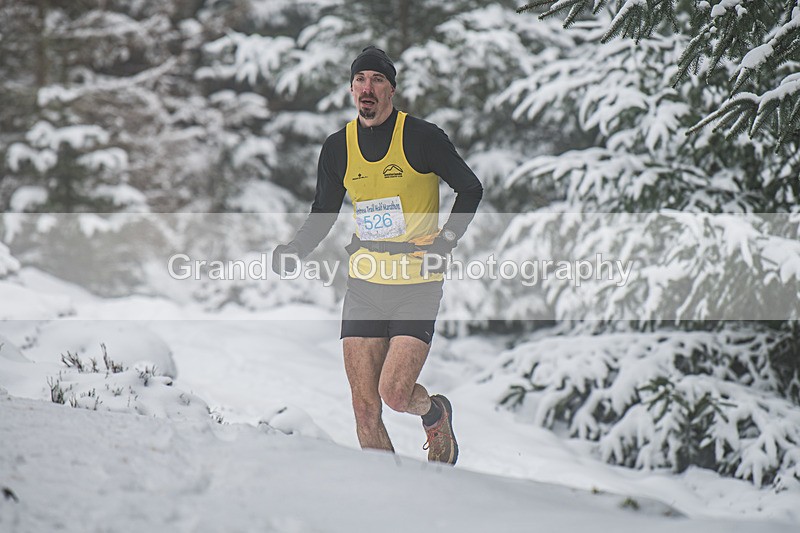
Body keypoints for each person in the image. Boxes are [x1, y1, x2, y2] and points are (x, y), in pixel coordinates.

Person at [272, 46, 482, 465]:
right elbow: (325, 211)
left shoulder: (422, 137)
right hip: (366, 284)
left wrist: (445, 242)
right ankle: (393, 499)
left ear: (391, 90)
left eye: (377, 80)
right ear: (351, 89)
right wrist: (296, 247)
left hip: (417, 284)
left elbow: (470, 188)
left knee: (395, 394)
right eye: (361, 80)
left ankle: (436, 414)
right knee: (365, 408)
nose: (367, 88)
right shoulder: (338, 148)